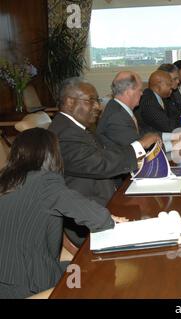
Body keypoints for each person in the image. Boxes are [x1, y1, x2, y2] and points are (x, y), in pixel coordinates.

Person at [0, 128, 127, 298]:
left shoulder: (5, 181)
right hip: (29, 282)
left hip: (8, 279)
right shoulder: (45, 181)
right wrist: (110, 220)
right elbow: (97, 218)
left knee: (78, 267)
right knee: (100, 274)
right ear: (52, 154)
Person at [48, 77, 160, 246]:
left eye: (97, 101)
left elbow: (108, 153)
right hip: (88, 219)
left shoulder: (77, 127)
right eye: (90, 101)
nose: (98, 107)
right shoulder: (65, 134)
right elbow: (99, 164)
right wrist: (140, 145)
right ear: (70, 102)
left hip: (105, 202)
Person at [96, 71, 159, 148]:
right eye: (139, 90)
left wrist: (171, 137)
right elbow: (138, 149)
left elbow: (140, 134)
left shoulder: (117, 107)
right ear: (129, 92)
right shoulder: (117, 117)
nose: (142, 93)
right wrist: (173, 145)